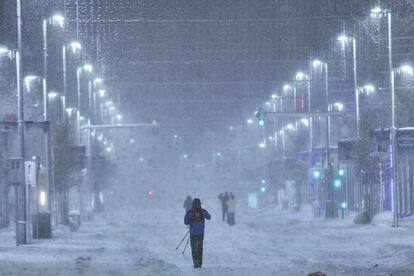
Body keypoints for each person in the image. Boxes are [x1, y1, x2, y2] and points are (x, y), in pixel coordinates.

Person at [184, 198, 211, 268]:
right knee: (200, 248)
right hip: (200, 233)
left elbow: (185, 222)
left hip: (193, 233)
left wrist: (191, 219)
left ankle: (196, 263)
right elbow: (209, 217)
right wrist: (203, 213)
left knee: (194, 248)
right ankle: (199, 263)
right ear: (200, 204)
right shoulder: (202, 211)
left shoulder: (190, 212)